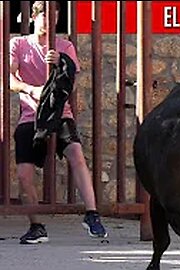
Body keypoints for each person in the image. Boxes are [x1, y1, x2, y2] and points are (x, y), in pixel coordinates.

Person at [9, 1, 107, 244]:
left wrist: (60, 63)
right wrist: (30, 89)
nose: (49, 21)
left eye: (54, 17)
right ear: (33, 17)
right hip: (30, 115)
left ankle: (92, 214)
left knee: (76, 154)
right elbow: (8, 78)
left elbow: (70, 83)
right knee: (23, 175)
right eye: (45, 16)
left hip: (60, 113)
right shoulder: (18, 44)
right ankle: (37, 226)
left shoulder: (64, 45)